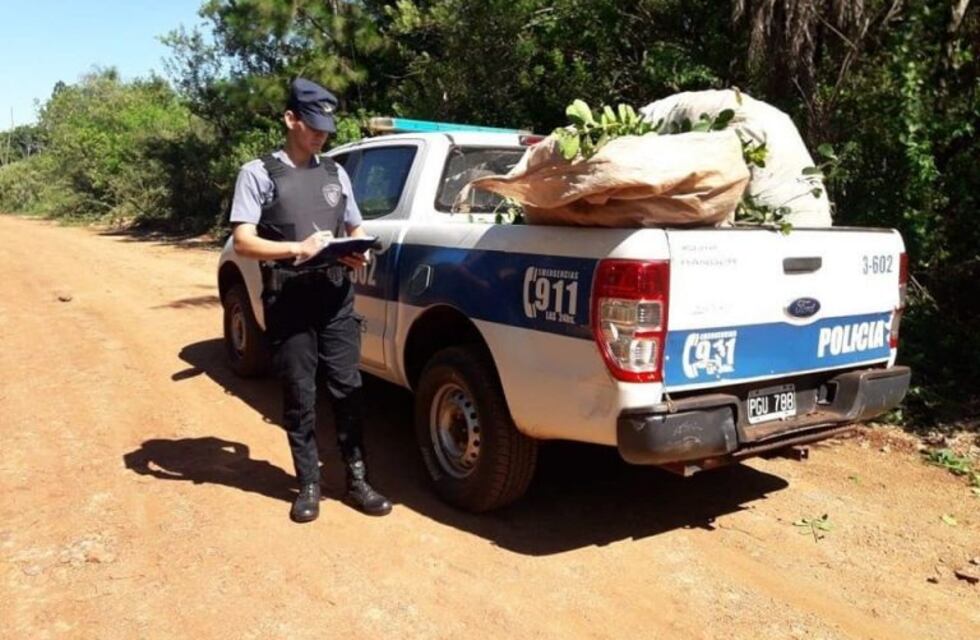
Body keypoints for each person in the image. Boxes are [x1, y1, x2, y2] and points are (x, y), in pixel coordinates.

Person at [228, 78, 392, 523]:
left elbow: (354, 227)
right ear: (290, 119)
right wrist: (295, 249)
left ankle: (357, 481)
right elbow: (243, 241)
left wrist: (357, 247)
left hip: (336, 296)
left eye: (326, 126)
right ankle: (308, 485)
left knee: (348, 390)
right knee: (300, 395)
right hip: (290, 300)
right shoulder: (258, 173)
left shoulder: (337, 174)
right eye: (312, 124)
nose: (321, 134)